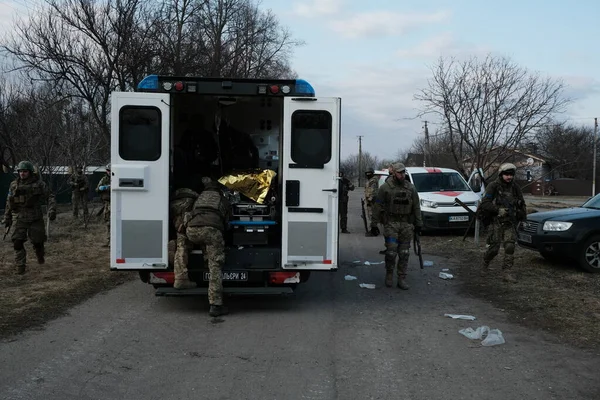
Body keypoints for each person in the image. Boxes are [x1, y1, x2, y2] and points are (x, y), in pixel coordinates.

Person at [182, 177, 231, 317]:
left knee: (204, 242)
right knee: (215, 265)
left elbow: (188, 214)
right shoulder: (223, 199)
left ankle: (198, 264)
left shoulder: (199, 197)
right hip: (211, 230)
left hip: (191, 230)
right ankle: (216, 305)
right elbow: (227, 223)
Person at [371, 162, 422, 289]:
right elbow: (377, 206)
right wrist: (374, 224)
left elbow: (416, 206)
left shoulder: (410, 188)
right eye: (399, 172)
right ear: (394, 173)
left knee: (404, 252)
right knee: (391, 252)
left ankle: (401, 278)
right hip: (391, 224)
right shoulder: (385, 188)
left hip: (406, 224)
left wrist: (419, 223)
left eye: (403, 172)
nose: (402, 175)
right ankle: (389, 274)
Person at [4, 161, 56, 274]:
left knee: (38, 242)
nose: (22, 174)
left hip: (35, 218)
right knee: (17, 243)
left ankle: (40, 256)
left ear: (30, 172)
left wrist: (52, 210)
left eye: (25, 171)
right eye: (20, 171)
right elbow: (9, 201)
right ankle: (20, 267)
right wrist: (7, 216)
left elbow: (50, 197)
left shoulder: (39, 184)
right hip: (20, 218)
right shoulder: (14, 185)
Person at [479, 163, 527, 283]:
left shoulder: (515, 187)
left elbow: (522, 203)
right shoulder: (493, 186)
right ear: (501, 174)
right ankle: (485, 262)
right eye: (506, 174)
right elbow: (485, 203)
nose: (509, 177)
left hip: (510, 222)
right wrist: (498, 210)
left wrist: (522, 216)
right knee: (494, 248)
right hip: (496, 221)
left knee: (510, 246)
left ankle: (506, 272)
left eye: (511, 174)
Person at [170, 187, 199, 289]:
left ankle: (175, 244)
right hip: (189, 207)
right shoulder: (197, 193)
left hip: (176, 203)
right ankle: (181, 279)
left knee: (181, 241)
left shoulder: (177, 192)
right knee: (184, 243)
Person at [96, 164, 111, 247]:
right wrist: (103, 187)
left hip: (115, 203)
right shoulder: (104, 179)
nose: (109, 172)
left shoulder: (116, 178)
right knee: (107, 222)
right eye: (108, 171)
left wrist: (110, 187)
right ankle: (109, 241)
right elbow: (97, 189)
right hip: (106, 203)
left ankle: (114, 241)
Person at [364, 168, 379, 236]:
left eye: (369, 173)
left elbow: (374, 192)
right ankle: (373, 229)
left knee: (371, 216)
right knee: (370, 216)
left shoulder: (373, 181)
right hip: (368, 200)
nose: (367, 175)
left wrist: (370, 200)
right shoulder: (370, 180)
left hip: (371, 201)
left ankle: (372, 230)